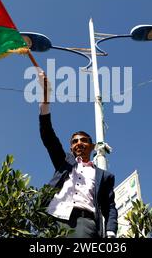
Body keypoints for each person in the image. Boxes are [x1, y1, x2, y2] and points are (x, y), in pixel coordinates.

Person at [37, 70, 118, 238]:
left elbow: (109, 206)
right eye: (74, 141)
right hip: (53, 220)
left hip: (84, 223)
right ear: (71, 147)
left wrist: (110, 232)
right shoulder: (64, 162)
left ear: (92, 145)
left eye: (83, 140)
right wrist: (45, 96)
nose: (78, 143)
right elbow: (48, 135)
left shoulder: (104, 176)